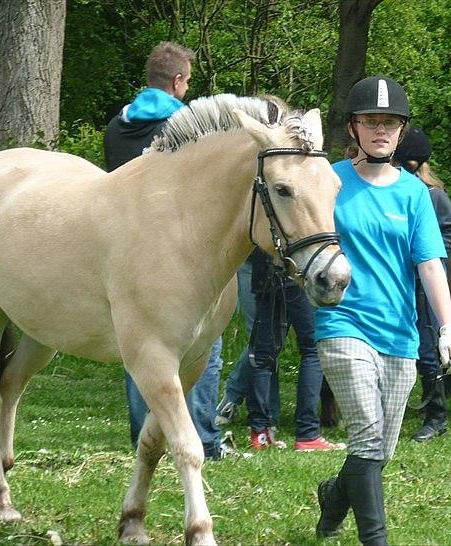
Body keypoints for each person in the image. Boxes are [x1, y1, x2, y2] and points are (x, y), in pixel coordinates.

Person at [313, 76, 451, 545]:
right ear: (354, 128)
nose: (382, 130)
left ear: (401, 131)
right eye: (372, 121)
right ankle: (375, 539)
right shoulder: (329, 181)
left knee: (379, 451)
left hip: (399, 335)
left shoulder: (415, 194)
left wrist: (448, 327)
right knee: (367, 435)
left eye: (391, 123)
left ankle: (334, 495)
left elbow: (430, 264)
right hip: (342, 323)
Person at [103, 41, 230, 460]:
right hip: (180, 254)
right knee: (205, 345)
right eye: (188, 82)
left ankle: (144, 437)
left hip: (127, 252)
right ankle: (205, 440)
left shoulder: (116, 125)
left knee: (140, 348)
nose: (188, 90)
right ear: (177, 81)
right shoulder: (189, 128)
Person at [392, 127, 451, 442]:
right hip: (393, 281)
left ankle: (437, 415)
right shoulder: (393, 189)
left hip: (421, 283)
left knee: (427, 347)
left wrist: (424, 249)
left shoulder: (432, 194)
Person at [245, 249, 346, 451]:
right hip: (298, 275)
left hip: (264, 272)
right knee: (312, 351)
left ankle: (260, 432)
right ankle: (308, 433)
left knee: (263, 355)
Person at [215, 254, 282, 427]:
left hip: (283, 264)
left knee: (269, 339)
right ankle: (233, 399)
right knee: (263, 337)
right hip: (255, 264)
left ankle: (268, 411)